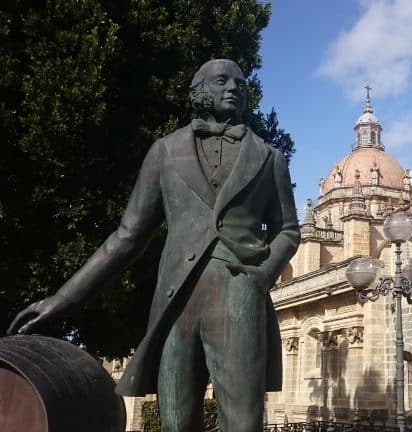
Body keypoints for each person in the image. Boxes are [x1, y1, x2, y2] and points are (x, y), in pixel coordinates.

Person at [7, 59, 300, 432]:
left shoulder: (270, 158)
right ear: (199, 93)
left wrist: (260, 276)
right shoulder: (164, 151)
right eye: (222, 81)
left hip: (239, 293)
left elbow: (288, 229)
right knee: (175, 420)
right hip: (175, 302)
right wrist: (62, 300)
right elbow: (127, 236)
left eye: (241, 83)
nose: (234, 88)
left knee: (244, 423)